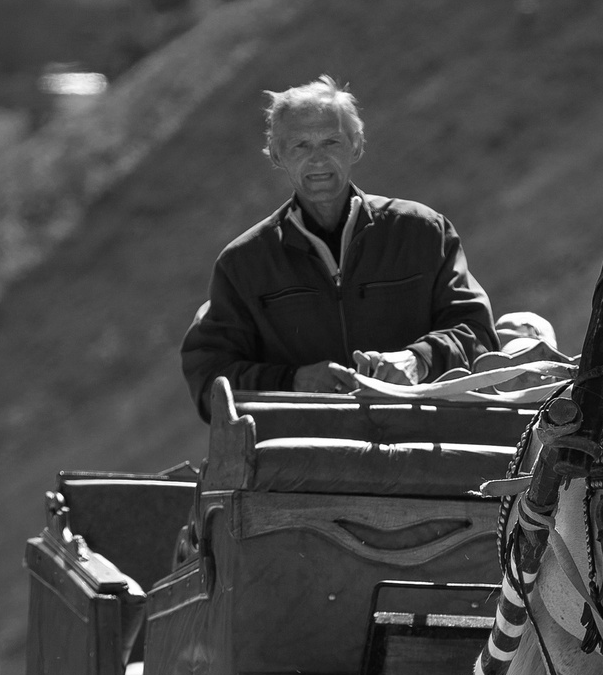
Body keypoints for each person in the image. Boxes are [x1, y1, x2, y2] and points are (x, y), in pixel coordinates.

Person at [178, 75, 498, 419]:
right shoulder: (243, 264)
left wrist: (417, 360)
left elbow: (478, 334)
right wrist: (292, 381)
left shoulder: (422, 231)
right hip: (304, 461)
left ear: (356, 145)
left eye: (331, 141)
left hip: (423, 441)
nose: (317, 159)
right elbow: (208, 378)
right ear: (276, 154)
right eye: (300, 145)